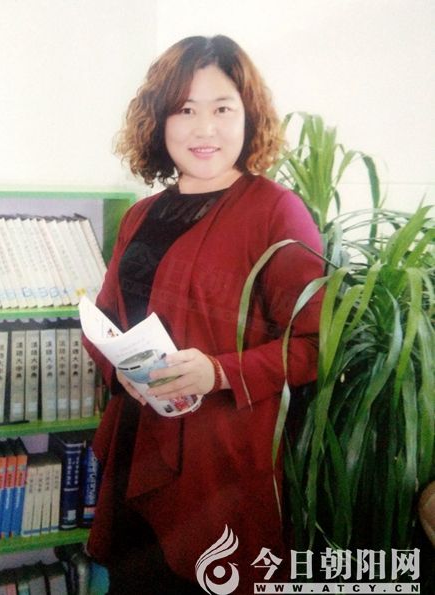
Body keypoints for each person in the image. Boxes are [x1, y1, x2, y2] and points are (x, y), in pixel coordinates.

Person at [83, 35, 324, 594]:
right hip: (135, 443)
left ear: (249, 115)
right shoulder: (141, 215)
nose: (204, 129)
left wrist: (217, 372)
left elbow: (314, 343)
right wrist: (120, 368)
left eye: (222, 109)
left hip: (219, 466)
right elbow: (107, 317)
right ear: (160, 120)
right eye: (185, 110)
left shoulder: (276, 212)